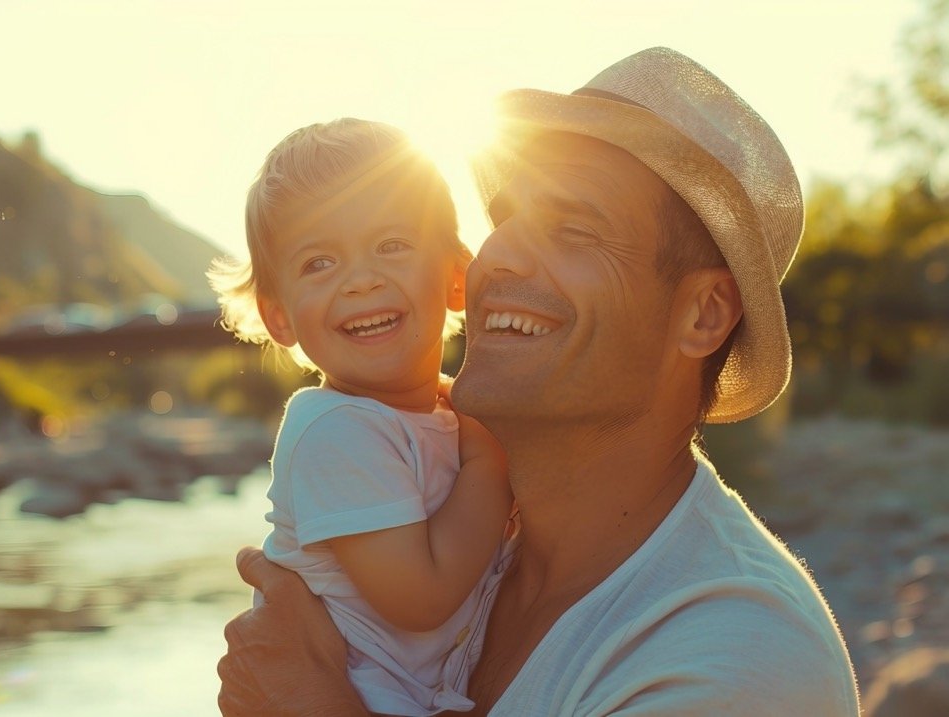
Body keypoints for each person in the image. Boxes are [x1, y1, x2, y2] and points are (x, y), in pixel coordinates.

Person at [217, 47, 861, 716]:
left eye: (575, 229)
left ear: (702, 314)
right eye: (505, 219)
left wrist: (311, 703)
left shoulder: (740, 659)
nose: (498, 257)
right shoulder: (482, 539)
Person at [207, 118, 515, 716]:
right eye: (319, 263)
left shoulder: (442, 413)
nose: (360, 279)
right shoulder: (334, 430)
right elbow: (423, 598)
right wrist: (490, 456)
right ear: (280, 319)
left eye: (391, 245)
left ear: (455, 276)